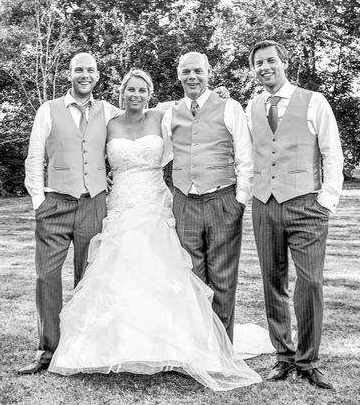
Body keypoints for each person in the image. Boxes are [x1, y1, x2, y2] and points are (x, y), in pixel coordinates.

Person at [48, 69, 262, 391]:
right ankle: (113, 347)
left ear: (150, 93)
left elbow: (193, 109)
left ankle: (171, 346)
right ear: (122, 93)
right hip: (120, 204)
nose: (136, 94)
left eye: (142, 89)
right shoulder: (108, 121)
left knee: (160, 273)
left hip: (154, 203)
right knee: (117, 272)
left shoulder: (163, 115)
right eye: (130, 89)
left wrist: (220, 95)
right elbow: (87, 152)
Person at [245, 40, 343, 389]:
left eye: (270, 60)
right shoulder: (252, 106)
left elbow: (333, 153)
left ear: (284, 62)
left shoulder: (314, 101)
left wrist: (326, 200)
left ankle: (309, 360)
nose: (264, 67)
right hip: (264, 203)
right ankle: (283, 356)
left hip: (306, 204)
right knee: (273, 282)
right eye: (258, 63)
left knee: (311, 282)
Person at [18, 52, 122, 375]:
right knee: (46, 276)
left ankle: (83, 349)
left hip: (94, 203)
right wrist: (39, 200)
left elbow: (144, 113)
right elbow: (34, 157)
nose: (85, 75)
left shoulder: (108, 112)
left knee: (88, 278)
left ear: (98, 75)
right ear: (70, 74)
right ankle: (48, 350)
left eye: (90, 70)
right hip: (56, 203)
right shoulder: (48, 111)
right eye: (79, 69)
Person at [161, 52, 253, 342]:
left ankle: (223, 346)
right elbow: (160, 156)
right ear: (179, 75)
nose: (192, 77)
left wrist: (239, 201)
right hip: (184, 202)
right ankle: (198, 345)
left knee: (223, 278)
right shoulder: (169, 113)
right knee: (192, 278)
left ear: (208, 72)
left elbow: (245, 157)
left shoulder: (230, 107)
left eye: (198, 71)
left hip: (222, 199)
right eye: (186, 71)